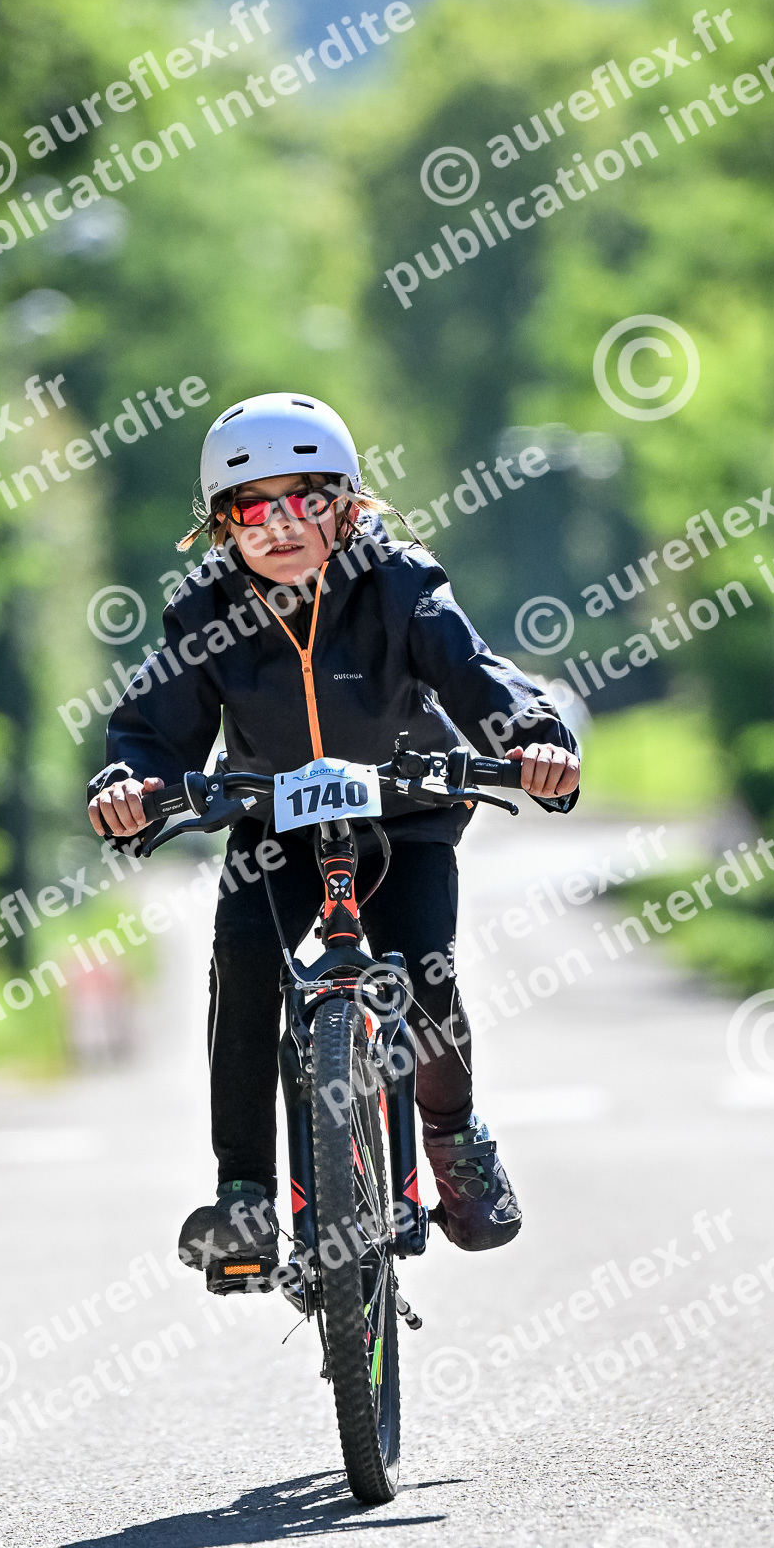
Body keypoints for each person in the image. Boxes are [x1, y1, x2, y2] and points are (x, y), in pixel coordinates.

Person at [87, 391, 580, 1270]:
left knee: (424, 975)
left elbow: (474, 671)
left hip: (406, 809)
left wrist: (534, 737)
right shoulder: (207, 609)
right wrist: (130, 780)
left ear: (347, 503)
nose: (279, 525)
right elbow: (155, 721)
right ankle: (243, 1195)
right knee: (242, 960)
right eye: (252, 509)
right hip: (273, 821)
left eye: (304, 499)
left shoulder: (400, 582)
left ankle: (456, 1141)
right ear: (221, 525)